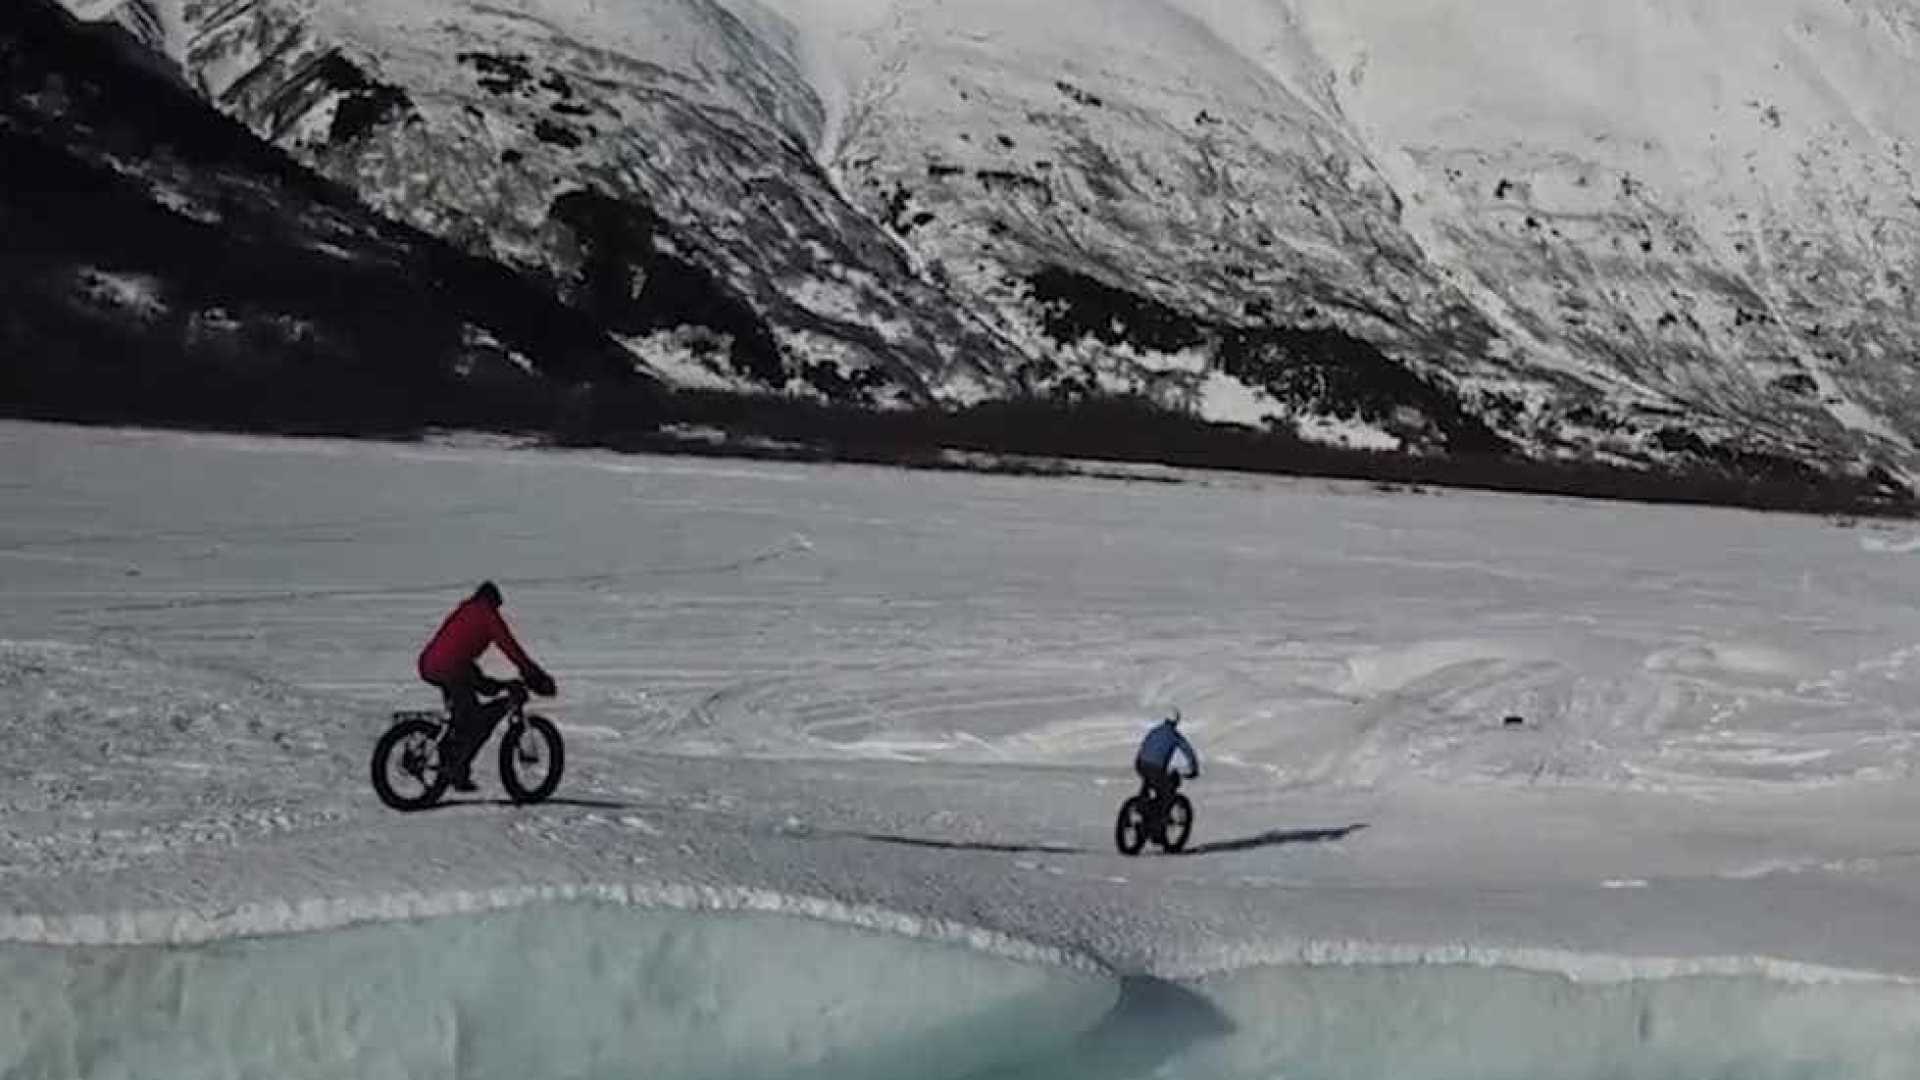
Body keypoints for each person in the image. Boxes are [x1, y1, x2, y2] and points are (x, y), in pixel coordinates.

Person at [417, 581, 556, 791]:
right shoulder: (487, 615)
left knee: (464, 718)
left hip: (432, 664)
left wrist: (488, 684)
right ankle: (455, 768)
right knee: (475, 721)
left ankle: (456, 767)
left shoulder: (466, 609)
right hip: (451, 669)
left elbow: (456, 646)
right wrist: (533, 673)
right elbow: (510, 646)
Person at [1134, 708, 1199, 818]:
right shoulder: (1175, 736)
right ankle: (1159, 820)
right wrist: (1194, 769)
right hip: (1155, 768)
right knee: (1167, 793)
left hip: (1140, 763)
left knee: (1149, 781)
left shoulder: (1154, 730)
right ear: (1176, 722)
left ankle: (1143, 805)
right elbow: (1189, 753)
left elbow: (1144, 745)